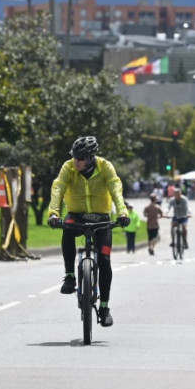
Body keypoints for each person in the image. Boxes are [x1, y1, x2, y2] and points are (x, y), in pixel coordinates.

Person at [47, 136, 130, 327]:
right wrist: (53, 213)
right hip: (76, 214)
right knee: (66, 229)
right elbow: (58, 187)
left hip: (102, 218)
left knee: (105, 259)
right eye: (75, 157)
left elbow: (116, 188)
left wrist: (122, 212)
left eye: (81, 158)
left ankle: (104, 307)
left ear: (91, 157)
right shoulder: (68, 167)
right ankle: (69, 276)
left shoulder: (105, 167)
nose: (76, 161)